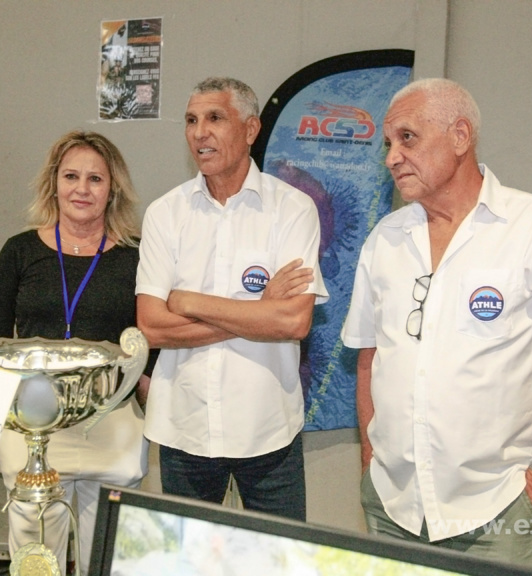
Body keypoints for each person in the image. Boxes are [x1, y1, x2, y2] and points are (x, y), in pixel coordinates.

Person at [341, 78, 532, 569]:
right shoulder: (384, 239)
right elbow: (369, 357)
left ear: (460, 136)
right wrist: (370, 462)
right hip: (393, 506)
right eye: (388, 144)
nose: (391, 157)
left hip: (497, 509)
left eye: (407, 138)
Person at [135, 77, 328, 521]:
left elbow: (293, 323)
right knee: (184, 562)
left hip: (268, 431)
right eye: (191, 120)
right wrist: (259, 310)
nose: (199, 132)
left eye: (215, 118)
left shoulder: (293, 209)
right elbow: (152, 326)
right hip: (185, 429)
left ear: (251, 129)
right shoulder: (166, 213)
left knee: (278, 562)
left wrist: (189, 301)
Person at [0, 130, 151, 575]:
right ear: (53, 182)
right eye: (71, 176)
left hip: (109, 420)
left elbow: (148, 343)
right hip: (33, 427)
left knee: (109, 556)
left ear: (112, 188)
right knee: (36, 558)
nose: (82, 188)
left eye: (95, 178)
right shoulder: (18, 252)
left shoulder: (137, 257)